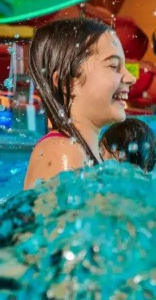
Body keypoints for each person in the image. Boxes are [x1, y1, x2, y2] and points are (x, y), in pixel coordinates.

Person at [23, 17, 136, 190]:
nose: (131, 78)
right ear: (66, 83)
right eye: (114, 66)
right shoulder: (62, 151)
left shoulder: (85, 153)